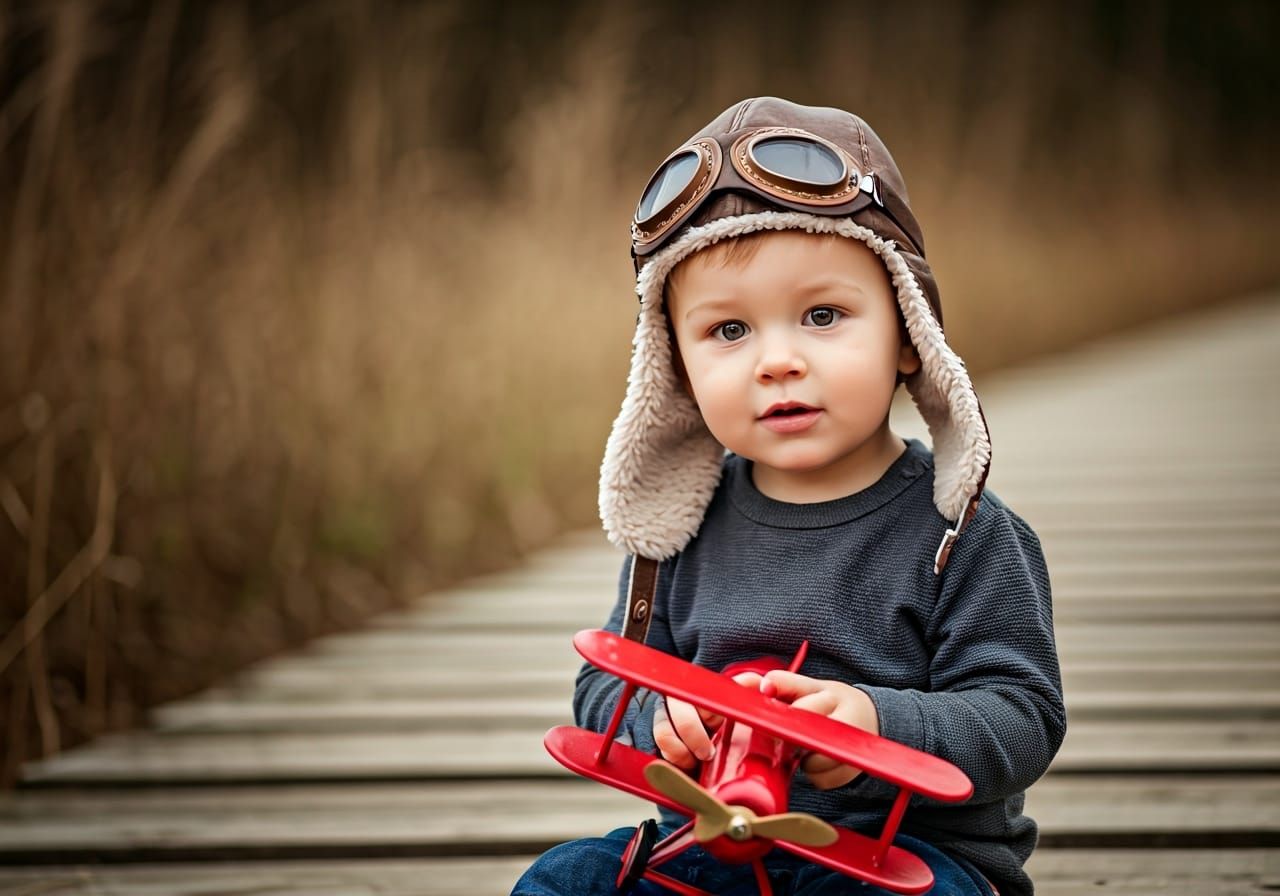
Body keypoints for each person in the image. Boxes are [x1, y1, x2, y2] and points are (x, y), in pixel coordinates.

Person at [513, 97, 1065, 896]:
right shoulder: (681, 525)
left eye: (822, 315)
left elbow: (1022, 717)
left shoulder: (963, 532)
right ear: (675, 367)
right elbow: (604, 681)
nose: (777, 360)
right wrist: (658, 723)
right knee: (563, 882)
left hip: (901, 859)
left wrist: (879, 725)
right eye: (729, 331)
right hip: (708, 843)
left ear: (909, 333)